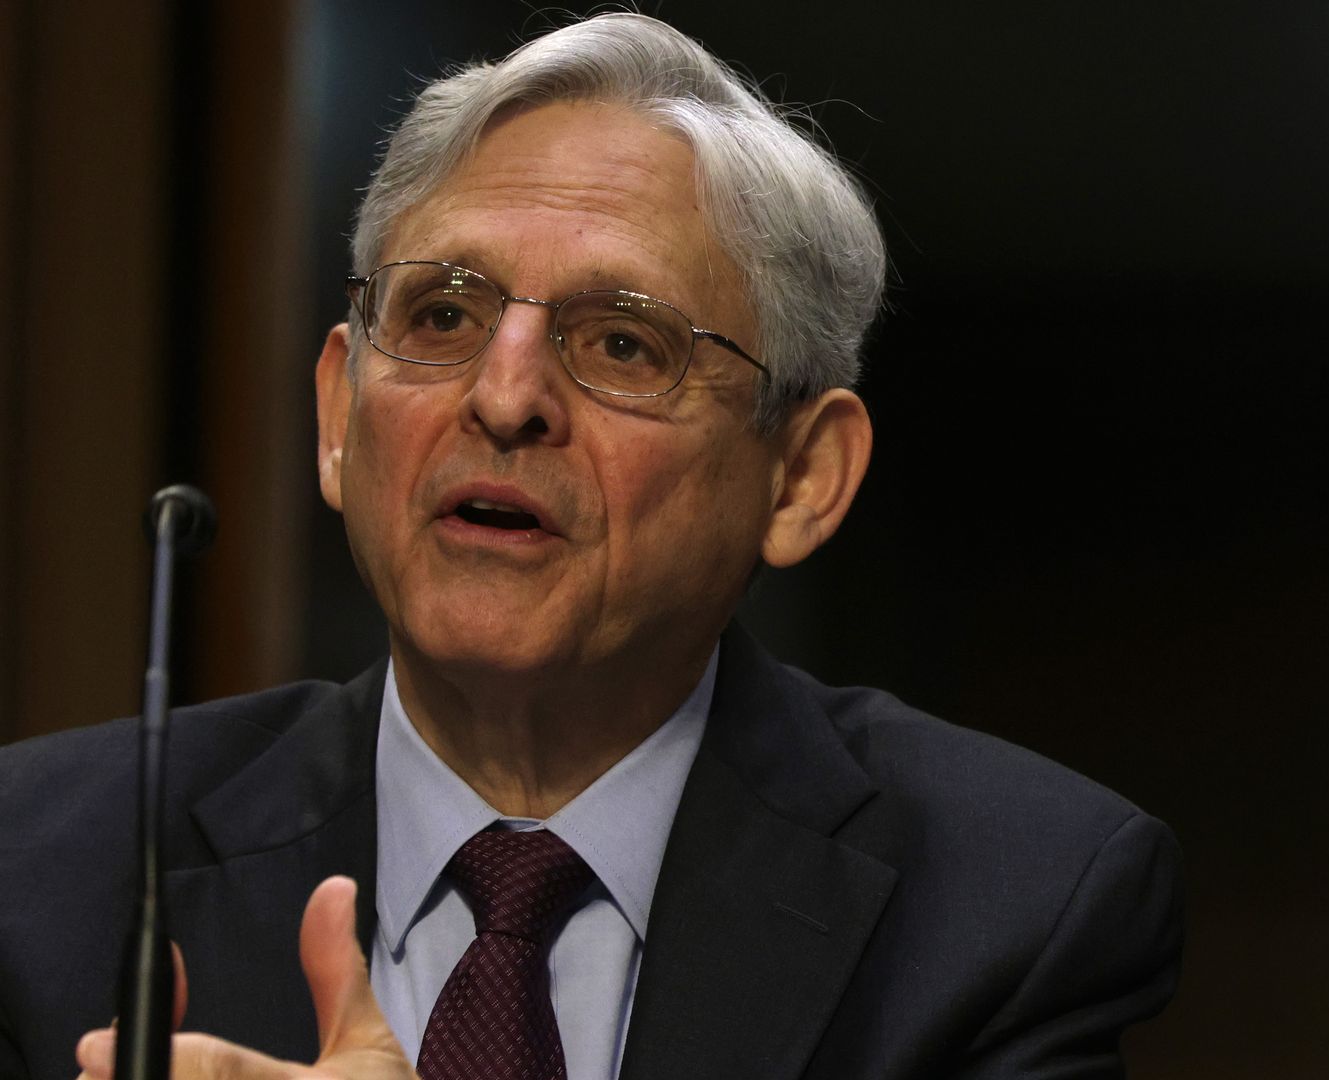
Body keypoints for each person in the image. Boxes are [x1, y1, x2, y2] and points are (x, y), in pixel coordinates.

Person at [0, 13, 1182, 1080]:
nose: (504, 396)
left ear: (802, 477)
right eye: (444, 315)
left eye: (622, 343)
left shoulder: (1012, 906)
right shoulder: (37, 875)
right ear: (337, 417)